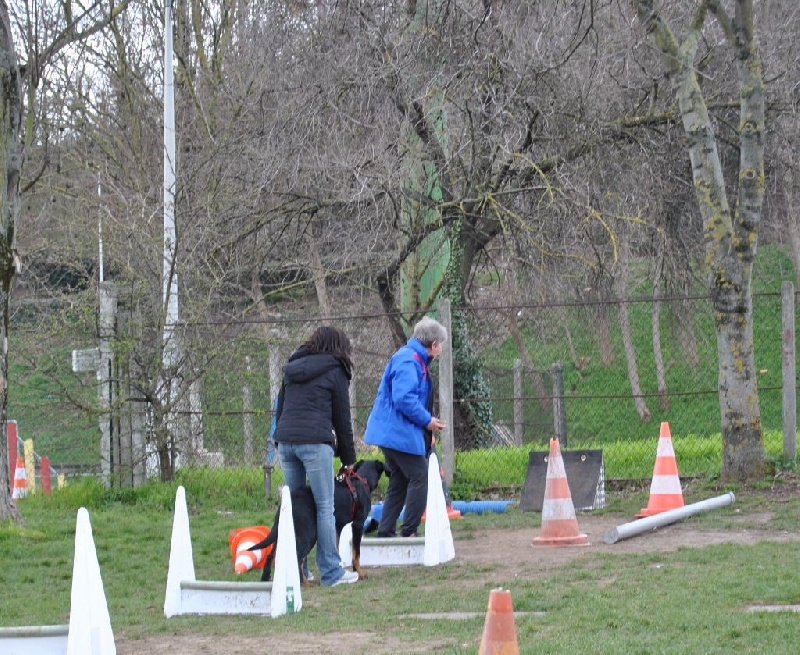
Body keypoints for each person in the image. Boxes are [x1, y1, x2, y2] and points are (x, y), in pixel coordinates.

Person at [273, 325, 359, 587]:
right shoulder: (336, 370)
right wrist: (348, 458)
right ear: (338, 347)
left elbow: (281, 408)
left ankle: (299, 570)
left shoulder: (292, 367)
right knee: (324, 507)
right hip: (314, 443)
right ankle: (331, 572)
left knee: (296, 508)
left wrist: (279, 439)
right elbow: (342, 419)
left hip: (286, 442)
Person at [364, 316, 447, 538]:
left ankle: (386, 530)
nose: (441, 351)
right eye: (441, 346)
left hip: (394, 433)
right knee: (420, 476)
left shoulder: (411, 358)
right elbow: (404, 398)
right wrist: (427, 420)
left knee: (400, 480)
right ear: (434, 345)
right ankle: (409, 530)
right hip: (396, 433)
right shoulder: (409, 361)